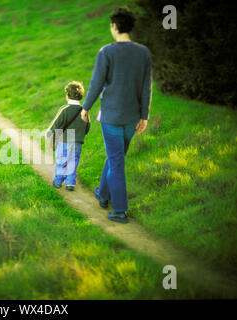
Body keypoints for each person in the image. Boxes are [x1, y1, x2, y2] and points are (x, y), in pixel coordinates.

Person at [80, 7, 152, 223]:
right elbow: (146, 87)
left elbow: (96, 84)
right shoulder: (143, 53)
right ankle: (103, 195)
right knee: (116, 158)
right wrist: (144, 116)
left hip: (111, 118)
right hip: (132, 118)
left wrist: (85, 107)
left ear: (114, 26)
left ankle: (119, 210)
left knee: (116, 162)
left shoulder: (106, 52)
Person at [46, 81, 90, 191]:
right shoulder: (83, 110)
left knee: (61, 161)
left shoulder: (64, 109)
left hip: (64, 140)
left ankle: (58, 182)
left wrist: (49, 134)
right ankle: (70, 183)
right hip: (77, 141)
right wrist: (83, 134)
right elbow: (87, 125)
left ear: (67, 95)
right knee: (73, 162)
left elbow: (56, 124)